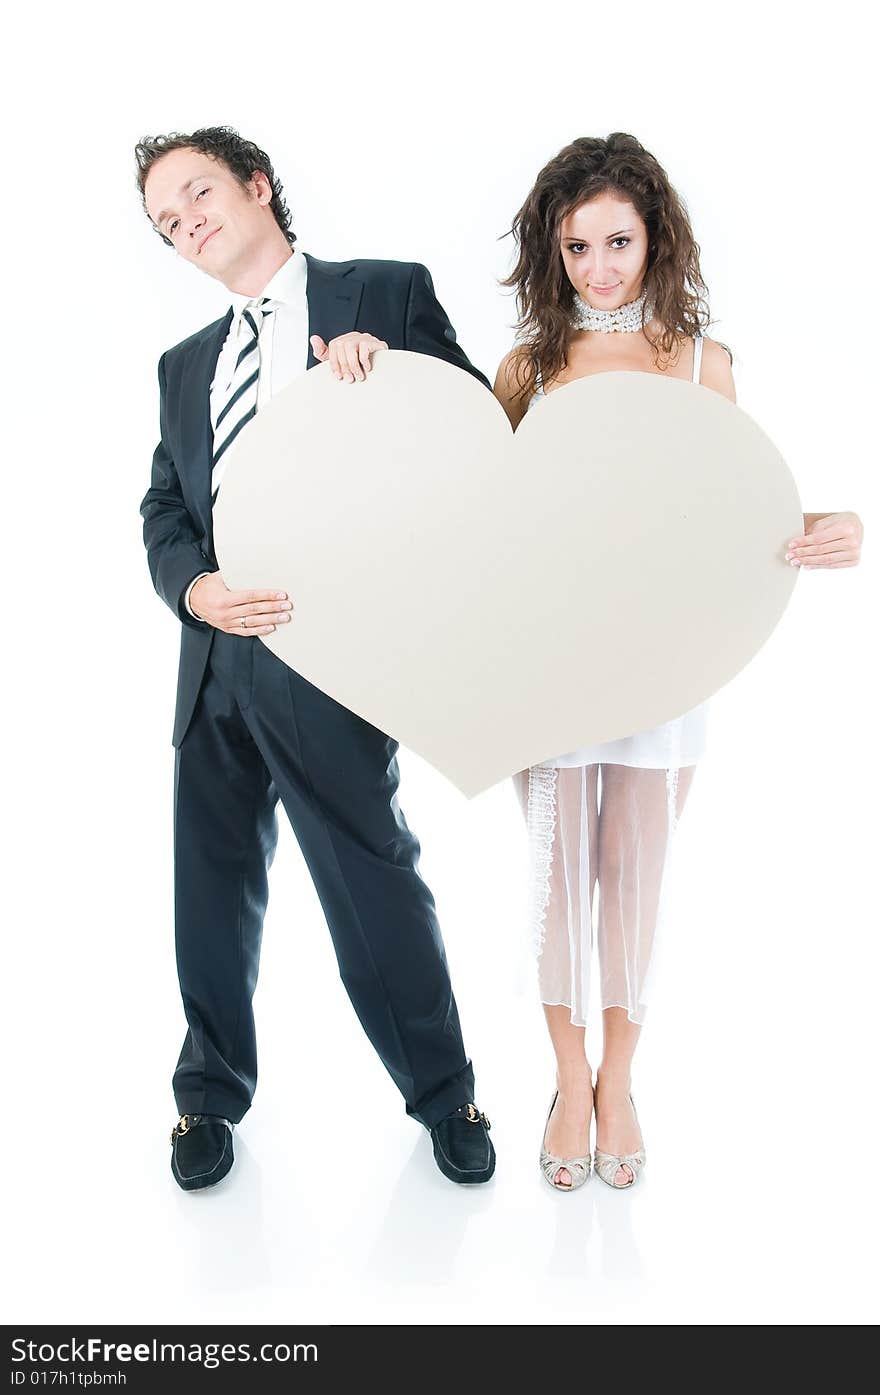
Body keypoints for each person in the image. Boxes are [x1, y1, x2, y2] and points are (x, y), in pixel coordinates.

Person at [489, 132, 864, 1190]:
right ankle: (568, 1080)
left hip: (668, 664)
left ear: (656, 239)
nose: (600, 267)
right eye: (576, 248)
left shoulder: (704, 364)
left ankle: (622, 1081)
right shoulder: (527, 367)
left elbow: (727, 519)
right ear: (552, 255)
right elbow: (486, 520)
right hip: (550, 664)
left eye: (618, 240)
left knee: (635, 882)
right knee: (560, 883)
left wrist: (825, 524)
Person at [135, 125, 495, 1191]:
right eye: (165, 221)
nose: (186, 221)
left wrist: (388, 378)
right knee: (207, 892)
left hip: (332, 654)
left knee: (369, 879)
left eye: (196, 192)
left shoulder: (381, 292)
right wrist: (193, 589)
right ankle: (204, 1101)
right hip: (214, 662)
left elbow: (470, 428)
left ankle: (444, 1095)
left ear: (256, 185)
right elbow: (164, 505)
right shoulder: (182, 364)